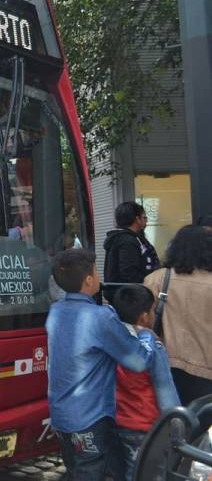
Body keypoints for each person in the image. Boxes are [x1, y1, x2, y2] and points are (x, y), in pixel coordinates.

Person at [46, 248, 156, 481]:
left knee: (78, 470)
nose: (99, 276)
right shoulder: (100, 317)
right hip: (90, 418)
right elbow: (137, 360)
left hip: (61, 414)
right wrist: (146, 334)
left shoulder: (55, 311)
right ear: (88, 280)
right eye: (96, 272)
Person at [111, 284, 180, 481]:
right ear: (143, 316)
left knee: (124, 473)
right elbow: (165, 391)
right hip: (145, 425)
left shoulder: (110, 339)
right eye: (152, 310)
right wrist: (177, 426)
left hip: (116, 421)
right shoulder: (153, 346)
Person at [143, 225, 212, 405]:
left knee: (173, 424)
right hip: (206, 370)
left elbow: (142, 323)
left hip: (166, 366)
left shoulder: (156, 279)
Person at [103, 201, 160, 303]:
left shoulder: (128, 238)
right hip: (130, 299)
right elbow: (129, 273)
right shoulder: (127, 241)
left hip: (128, 295)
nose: (146, 220)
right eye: (144, 217)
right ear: (137, 219)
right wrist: (148, 285)